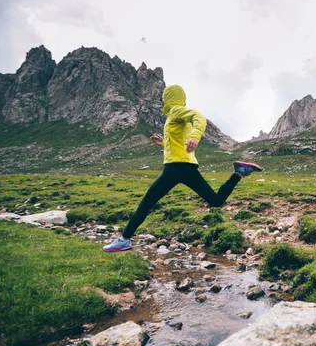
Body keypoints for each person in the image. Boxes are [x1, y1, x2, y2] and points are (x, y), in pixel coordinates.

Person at [104, 84, 262, 252]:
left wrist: (195, 137)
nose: (163, 100)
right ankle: (238, 172)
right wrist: (163, 143)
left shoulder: (176, 111)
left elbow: (199, 117)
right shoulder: (176, 116)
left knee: (146, 203)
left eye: (165, 97)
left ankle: (124, 239)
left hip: (174, 168)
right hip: (188, 167)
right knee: (215, 201)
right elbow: (178, 142)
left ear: (171, 97)